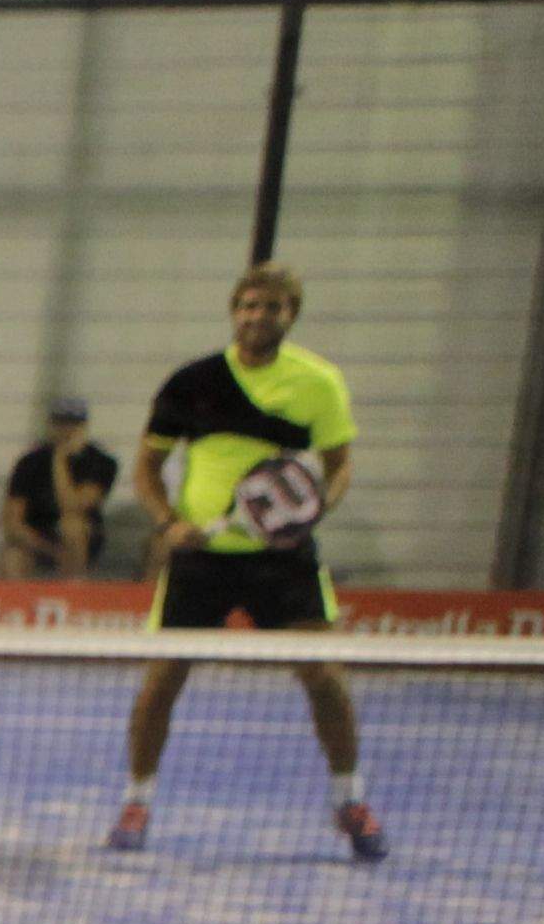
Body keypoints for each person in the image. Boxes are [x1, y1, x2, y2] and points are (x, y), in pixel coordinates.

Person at [116, 264, 379, 860]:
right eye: (249, 305)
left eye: (273, 308)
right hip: (199, 560)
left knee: (325, 677)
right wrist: (168, 523)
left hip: (281, 560)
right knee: (162, 681)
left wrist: (313, 513)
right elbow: (147, 468)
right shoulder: (191, 382)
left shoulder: (319, 384)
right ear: (234, 310)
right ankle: (137, 800)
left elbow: (338, 465)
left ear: (292, 316)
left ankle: (350, 800)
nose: (258, 316)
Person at [1, 397, 118, 581]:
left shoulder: (100, 462)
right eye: (61, 424)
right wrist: (50, 549)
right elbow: (13, 523)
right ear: (51, 425)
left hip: (82, 537)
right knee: (12, 557)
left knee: (72, 527)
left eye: (73, 425)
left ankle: (74, 595)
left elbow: (73, 507)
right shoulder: (29, 463)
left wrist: (60, 461)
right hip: (40, 537)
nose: (66, 431)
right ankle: (15, 607)